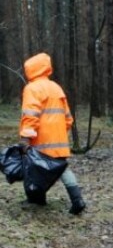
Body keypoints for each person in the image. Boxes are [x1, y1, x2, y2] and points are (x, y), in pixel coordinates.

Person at [19, 52, 86, 214]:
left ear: (30, 70)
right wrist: (60, 134)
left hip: (40, 141)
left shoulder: (32, 88)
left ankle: (37, 200)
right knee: (62, 169)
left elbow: (30, 115)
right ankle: (77, 199)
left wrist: (25, 138)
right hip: (59, 141)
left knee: (35, 170)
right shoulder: (56, 87)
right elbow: (68, 118)